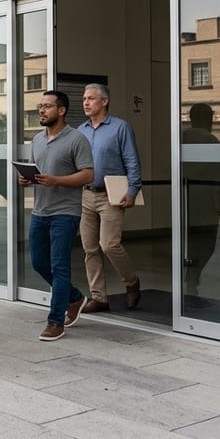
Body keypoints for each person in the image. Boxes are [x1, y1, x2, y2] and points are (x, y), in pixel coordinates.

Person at [17, 90, 94, 341]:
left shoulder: (77, 139)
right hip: (40, 210)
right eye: (40, 106)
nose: (41, 110)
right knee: (39, 262)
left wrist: (56, 180)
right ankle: (74, 297)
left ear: (61, 110)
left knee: (59, 265)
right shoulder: (37, 140)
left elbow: (88, 174)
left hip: (65, 212)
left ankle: (55, 321)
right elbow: (37, 171)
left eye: (47, 106)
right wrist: (26, 179)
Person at [78, 83, 142, 313]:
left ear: (104, 101)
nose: (86, 102)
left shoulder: (120, 128)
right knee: (90, 248)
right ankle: (99, 297)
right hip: (86, 194)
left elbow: (132, 161)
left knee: (109, 244)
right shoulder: (81, 130)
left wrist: (133, 190)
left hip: (111, 195)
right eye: (84, 98)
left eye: (91, 98)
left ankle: (131, 281)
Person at [182, 103, 220, 306]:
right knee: (205, 245)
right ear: (208, 119)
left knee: (189, 243)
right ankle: (192, 282)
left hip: (186, 199)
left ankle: (189, 282)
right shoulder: (211, 141)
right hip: (207, 200)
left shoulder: (181, 137)